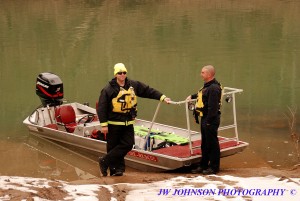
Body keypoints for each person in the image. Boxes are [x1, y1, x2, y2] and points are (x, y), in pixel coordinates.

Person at [97, 63, 171, 176]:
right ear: (115, 74)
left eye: (124, 73)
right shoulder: (108, 89)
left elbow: (148, 91)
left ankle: (104, 161)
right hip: (114, 123)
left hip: (128, 122)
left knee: (128, 144)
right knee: (113, 147)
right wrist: (104, 125)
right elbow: (102, 107)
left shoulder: (133, 85)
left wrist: (162, 97)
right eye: (119, 73)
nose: (122, 75)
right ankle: (117, 170)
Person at [186, 65, 222, 175]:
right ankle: (203, 165)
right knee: (205, 143)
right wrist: (191, 96)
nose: (200, 74)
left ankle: (214, 167)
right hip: (205, 117)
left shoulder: (214, 88)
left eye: (202, 73)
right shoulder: (208, 86)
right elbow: (202, 94)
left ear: (209, 74)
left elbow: (213, 108)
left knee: (212, 143)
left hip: (210, 119)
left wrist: (209, 121)